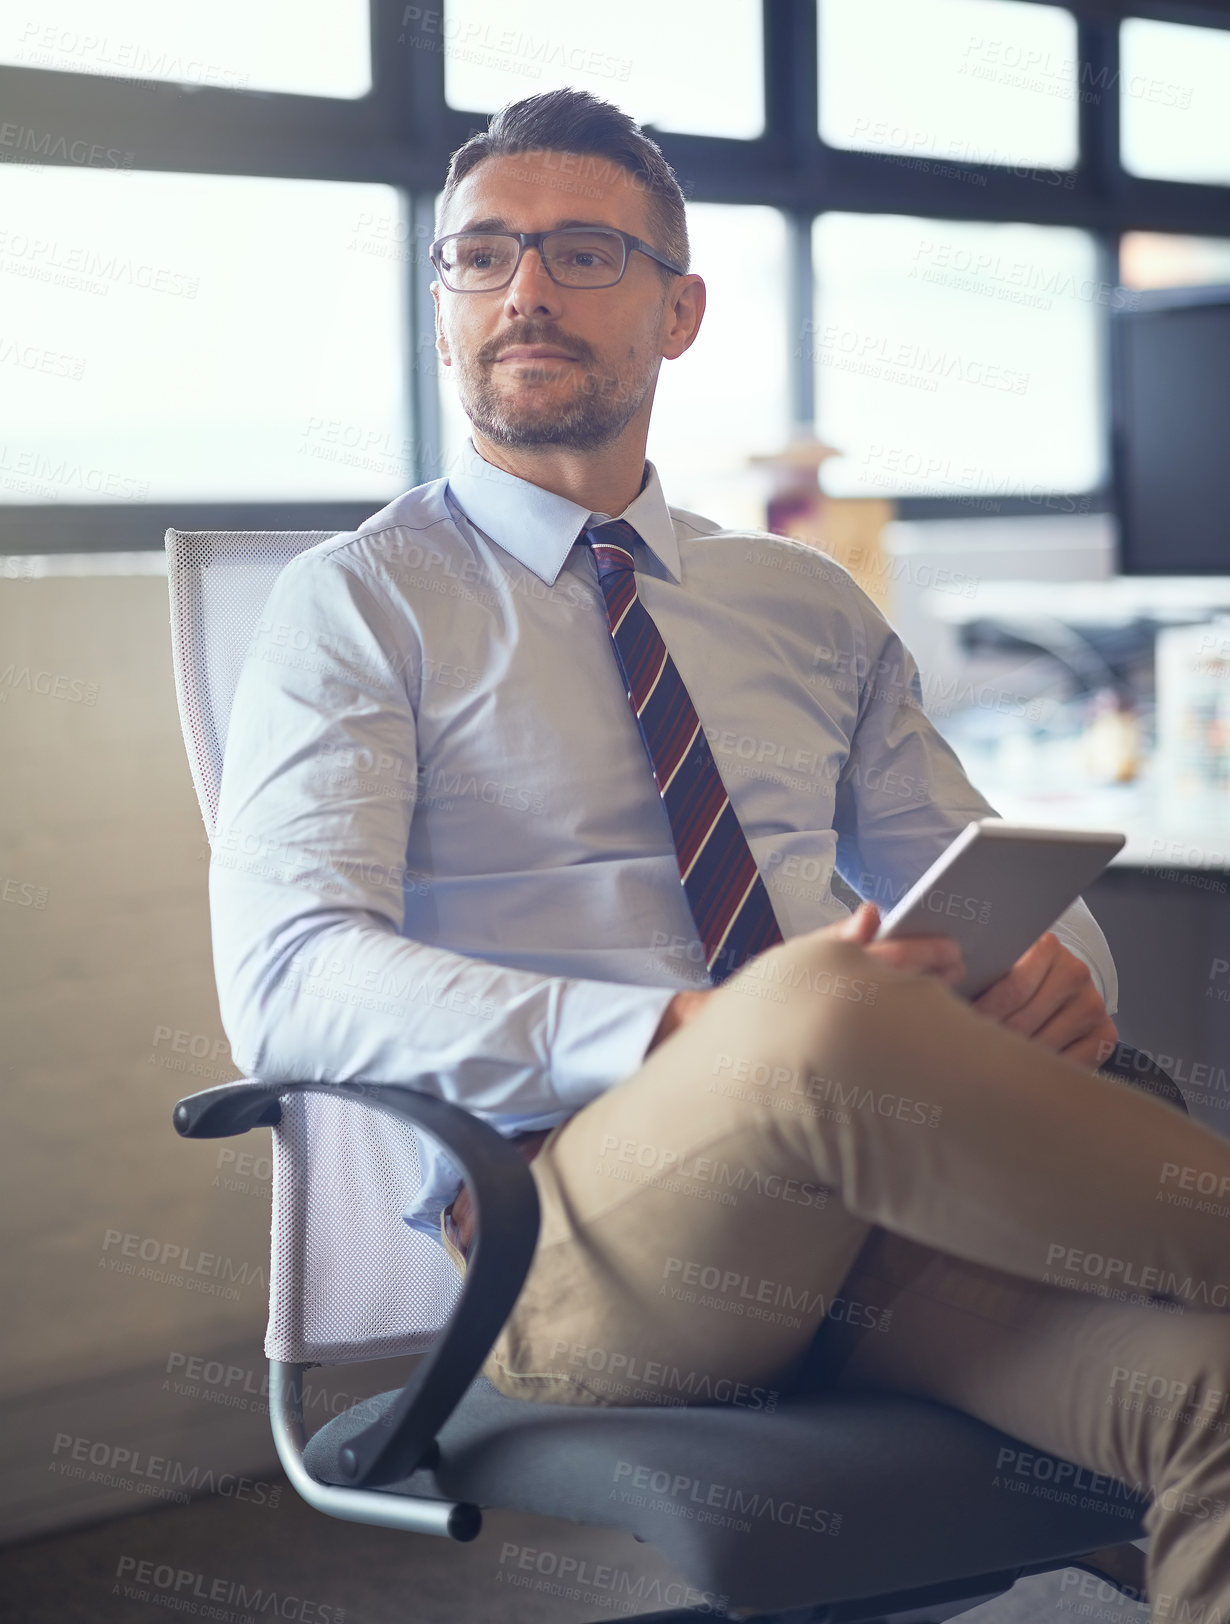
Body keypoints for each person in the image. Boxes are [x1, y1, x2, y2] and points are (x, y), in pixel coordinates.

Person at [211, 88, 1230, 1614]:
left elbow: (982, 867)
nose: (524, 292)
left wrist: (1055, 977)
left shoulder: (803, 603)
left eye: (578, 253)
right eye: (478, 258)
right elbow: (288, 982)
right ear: (440, 309)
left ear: (678, 310)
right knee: (814, 1006)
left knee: (1210, 1395)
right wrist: (697, 1034)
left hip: (879, 1211)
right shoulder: (361, 603)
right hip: (581, 1238)